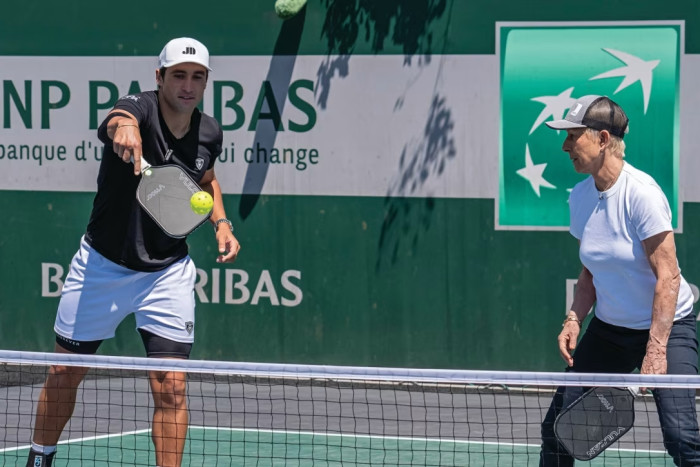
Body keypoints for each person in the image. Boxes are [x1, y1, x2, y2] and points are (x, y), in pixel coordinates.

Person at [26, 37, 240, 467]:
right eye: (178, 75)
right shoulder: (138, 108)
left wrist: (221, 222)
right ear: (159, 77)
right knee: (64, 373)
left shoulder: (210, 132)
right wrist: (123, 128)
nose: (187, 85)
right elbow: (118, 118)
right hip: (102, 266)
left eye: (197, 77)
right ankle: (39, 458)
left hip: (166, 272)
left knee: (171, 386)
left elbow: (207, 179)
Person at [538, 95, 700, 466]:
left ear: (603, 139)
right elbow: (591, 271)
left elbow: (669, 277)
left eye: (573, 136)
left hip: (668, 328)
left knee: (681, 438)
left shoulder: (641, 194)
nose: (565, 146)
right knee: (557, 433)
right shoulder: (579, 198)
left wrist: (656, 349)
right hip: (611, 330)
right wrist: (575, 317)